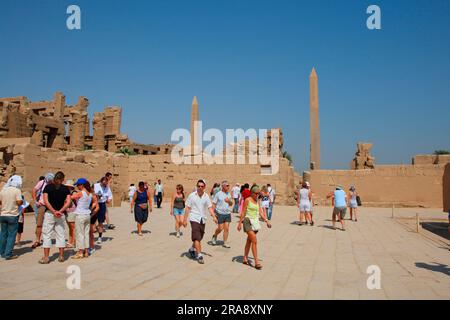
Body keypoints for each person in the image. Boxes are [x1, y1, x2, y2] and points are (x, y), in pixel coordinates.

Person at [39, 171, 71, 264]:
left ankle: (46, 257)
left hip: (50, 213)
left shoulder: (48, 187)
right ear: (62, 179)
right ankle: (61, 256)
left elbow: (46, 201)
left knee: (47, 235)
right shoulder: (65, 189)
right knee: (60, 234)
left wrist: (53, 211)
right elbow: (68, 202)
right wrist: (60, 211)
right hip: (60, 214)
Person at [237, 185, 271, 270]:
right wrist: (239, 223)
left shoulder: (257, 201)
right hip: (247, 221)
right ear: (251, 193)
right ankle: (256, 262)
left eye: (258, 193)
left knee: (249, 241)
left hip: (255, 223)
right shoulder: (247, 200)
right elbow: (243, 212)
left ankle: (245, 258)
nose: (257, 195)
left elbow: (260, 212)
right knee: (254, 241)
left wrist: (266, 221)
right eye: (256, 193)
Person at [183, 179, 217, 264]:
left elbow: (209, 207)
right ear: (196, 186)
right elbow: (187, 208)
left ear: (204, 187)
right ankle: (199, 255)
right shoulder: (192, 196)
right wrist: (184, 219)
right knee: (197, 237)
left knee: (199, 237)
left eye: (202, 186)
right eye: (198, 186)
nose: (200, 188)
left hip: (202, 219)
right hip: (194, 218)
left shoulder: (206, 196)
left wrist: (214, 217)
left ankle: (191, 249)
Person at [71, 178, 98, 259]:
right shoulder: (89, 194)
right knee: (86, 234)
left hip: (80, 215)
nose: (77, 187)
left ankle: (80, 252)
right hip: (87, 215)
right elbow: (95, 202)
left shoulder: (81, 193)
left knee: (80, 234)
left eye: (78, 185)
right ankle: (86, 251)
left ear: (81, 185)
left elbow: (71, 197)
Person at [0, 175, 23, 260]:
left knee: (3, 234)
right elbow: (19, 202)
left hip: (3, 214)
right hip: (12, 215)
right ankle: (8, 254)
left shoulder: (3, 190)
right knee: (11, 235)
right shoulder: (17, 190)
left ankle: (2, 252)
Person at [32, 173, 54, 249]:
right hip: (42, 205)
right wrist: (35, 201)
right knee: (39, 223)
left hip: (50, 206)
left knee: (49, 223)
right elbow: (34, 190)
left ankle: (46, 240)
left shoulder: (54, 184)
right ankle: (37, 240)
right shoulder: (42, 182)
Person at [211, 181, 233, 248]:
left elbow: (231, 204)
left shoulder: (228, 194)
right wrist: (213, 214)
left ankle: (225, 242)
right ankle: (215, 235)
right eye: (227, 185)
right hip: (220, 213)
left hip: (227, 213)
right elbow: (214, 204)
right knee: (220, 228)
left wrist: (229, 201)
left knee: (226, 228)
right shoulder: (218, 194)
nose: (228, 187)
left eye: (228, 185)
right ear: (223, 186)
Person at [92, 177, 113, 246]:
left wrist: (108, 200)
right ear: (101, 182)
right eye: (103, 183)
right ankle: (91, 236)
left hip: (102, 205)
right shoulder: (95, 185)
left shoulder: (107, 188)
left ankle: (100, 237)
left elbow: (110, 197)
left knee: (101, 222)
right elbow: (90, 192)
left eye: (106, 183)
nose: (105, 185)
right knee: (92, 221)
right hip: (94, 204)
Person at [64, 180, 76, 248]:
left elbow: (69, 202)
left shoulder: (73, 193)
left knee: (73, 228)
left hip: (72, 211)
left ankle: (73, 242)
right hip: (67, 212)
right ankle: (70, 241)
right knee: (70, 228)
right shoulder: (67, 193)